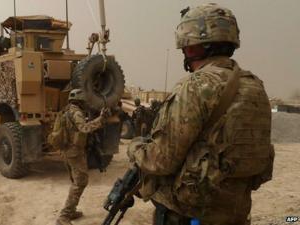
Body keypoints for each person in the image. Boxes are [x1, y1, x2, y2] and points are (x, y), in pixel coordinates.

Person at [127, 3, 274, 225]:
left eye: (187, 47)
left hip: (190, 214)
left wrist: (135, 148)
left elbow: (161, 160)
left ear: (194, 47)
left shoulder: (195, 86)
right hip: (236, 212)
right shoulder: (255, 86)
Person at [56, 89, 110, 225]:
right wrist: (100, 120)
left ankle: (71, 210)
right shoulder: (77, 113)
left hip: (67, 151)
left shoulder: (67, 110)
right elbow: (84, 128)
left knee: (75, 181)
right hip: (74, 152)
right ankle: (64, 216)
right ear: (80, 100)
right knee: (80, 182)